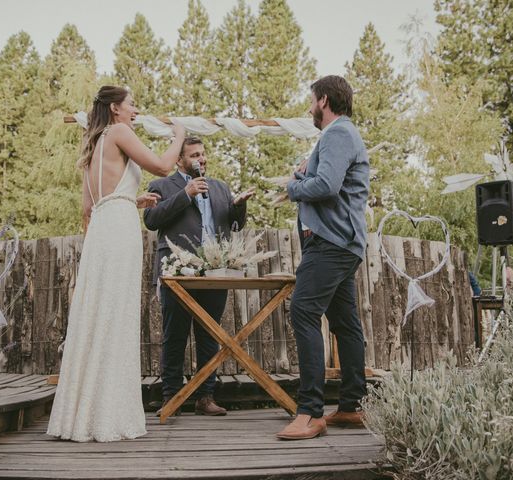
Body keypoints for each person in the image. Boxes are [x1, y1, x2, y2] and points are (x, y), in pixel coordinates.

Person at [47, 85, 186, 442]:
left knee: (96, 315)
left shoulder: (94, 144)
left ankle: (80, 414)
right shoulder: (120, 132)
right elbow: (163, 165)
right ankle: (107, 414)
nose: (136, 111)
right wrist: (180, 136)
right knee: (117, 315)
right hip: (119, 233)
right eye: (131, 105)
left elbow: (87, 209)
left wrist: (129, 200)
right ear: (114, 109)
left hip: (101, 234)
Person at [276, 75, 369, 440]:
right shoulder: (341, 136)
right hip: (342, 243)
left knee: (303, 310)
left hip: (330, 243)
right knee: (345, 324)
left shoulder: (337, 134)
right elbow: (330, 179)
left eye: (311, 100)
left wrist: (294, 185)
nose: (309, 107)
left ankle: (311, 412)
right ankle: (350, 407)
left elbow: (327, 186)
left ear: (325, 100)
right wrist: (307, 171)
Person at [143, 136, 254, 416]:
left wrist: (239, 205)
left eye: (202, 154)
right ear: (179, 159)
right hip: (177, 272)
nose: (201, 159)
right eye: (194, 155)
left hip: (215, 271)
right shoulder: (162, 185)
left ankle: (205, 397)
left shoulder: (219, 187)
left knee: (209, 335)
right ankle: (172, 397)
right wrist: (186, 194)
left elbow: (236, 224)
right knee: (175, 335)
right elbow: (151, 220)